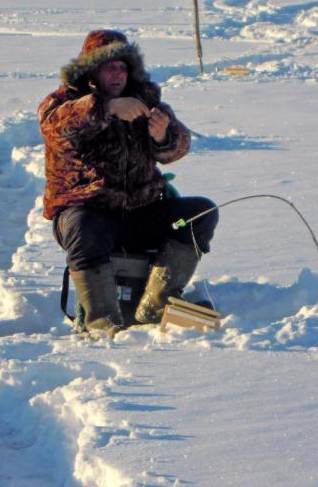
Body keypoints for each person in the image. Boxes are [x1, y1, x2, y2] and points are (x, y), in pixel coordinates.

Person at [38, 30, 218, 335]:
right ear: (91, 71)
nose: (117, 74)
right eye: (109, 66)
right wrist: (105, 108)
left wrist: (163, 136)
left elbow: (179, 147)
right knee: (83, 226)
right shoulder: (63, 101)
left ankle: (155, 305)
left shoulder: (145, 101)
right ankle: (101, 321)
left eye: (122, 67)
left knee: (200, 214)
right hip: (88, 216)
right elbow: (55, 128)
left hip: (140, 216)